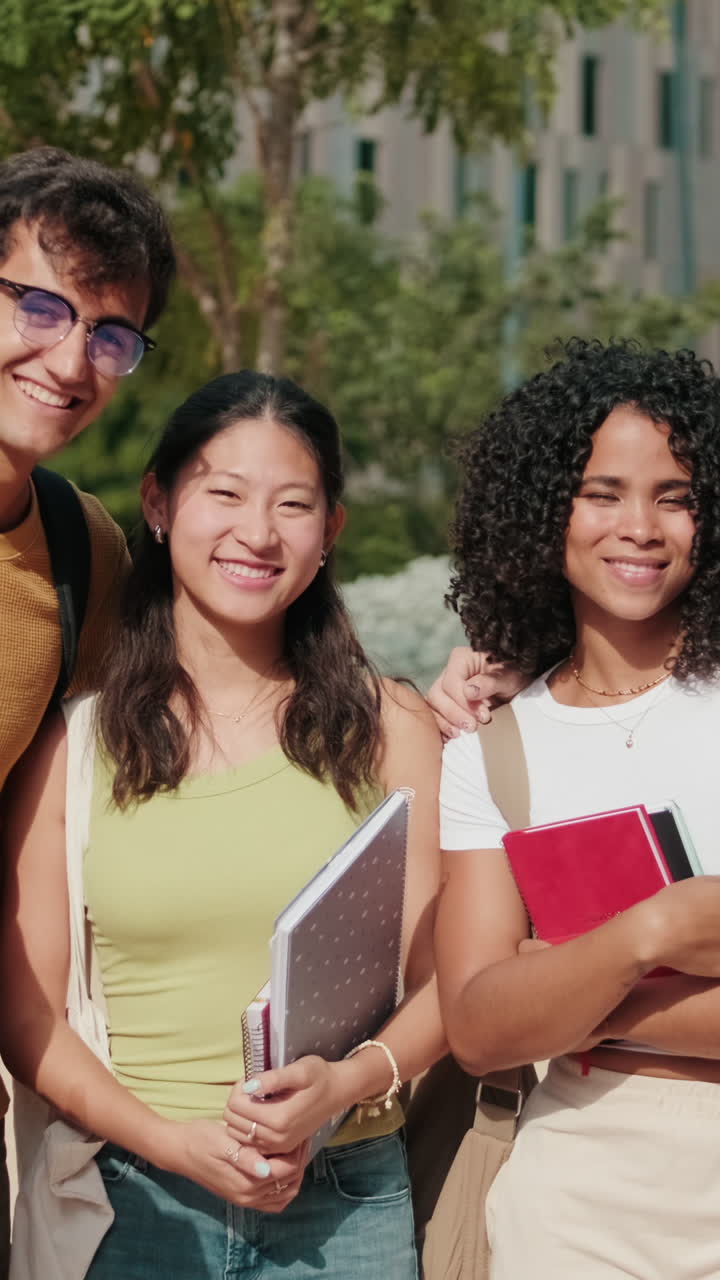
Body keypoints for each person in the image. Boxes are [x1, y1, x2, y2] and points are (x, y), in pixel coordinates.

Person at [1, 370, 444, 1279]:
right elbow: (27, 1013)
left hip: (349, 1201)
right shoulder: (73, 746)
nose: (258, 532)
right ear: (159, 504)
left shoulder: (392, 726)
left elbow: (447, 981)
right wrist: (169, 1142)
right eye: (225, 493)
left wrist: (343, 1087)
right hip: (131, 1202)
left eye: (294, 504)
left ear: (331, 533)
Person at [434, 338, 720, 1279]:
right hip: (577, 1198)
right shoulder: (495, 751)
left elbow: (516, 1005)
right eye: (601, 492)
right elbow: (479, 1030)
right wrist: (653, 929)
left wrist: (560, 980)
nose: (639, 525)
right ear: (541, 511)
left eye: (674, 496)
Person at [0, 144, 174, 1273]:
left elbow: (207, 700)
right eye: (39, 306)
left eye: (110, 335)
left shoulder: (82, 549)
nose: (71, 360)